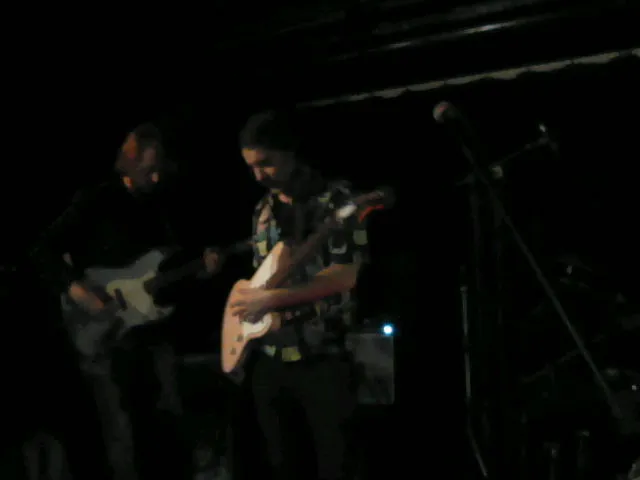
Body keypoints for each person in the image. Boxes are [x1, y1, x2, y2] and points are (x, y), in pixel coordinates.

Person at [30, 123, 222, 480]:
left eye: (160, 169)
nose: (156, 177)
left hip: (154, 329)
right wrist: (79, 292)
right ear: (129, 163)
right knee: (121, 430)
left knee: (168, 421)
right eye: (148, 169)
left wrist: (201, 271)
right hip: (107, 334)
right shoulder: (95, 200)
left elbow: (169, 271)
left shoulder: (165, 204)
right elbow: (44, 251)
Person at [230, 111, 369, 480]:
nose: (258, 176)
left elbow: (345, 275)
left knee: (337, 466)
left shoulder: (337, 200)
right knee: (283, 466)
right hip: (272, 360)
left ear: (290, 152)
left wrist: (273, 301)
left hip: (324, 358)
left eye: (266, 163)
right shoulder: (262, 211)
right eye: (251, 167)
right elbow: (261, 283)